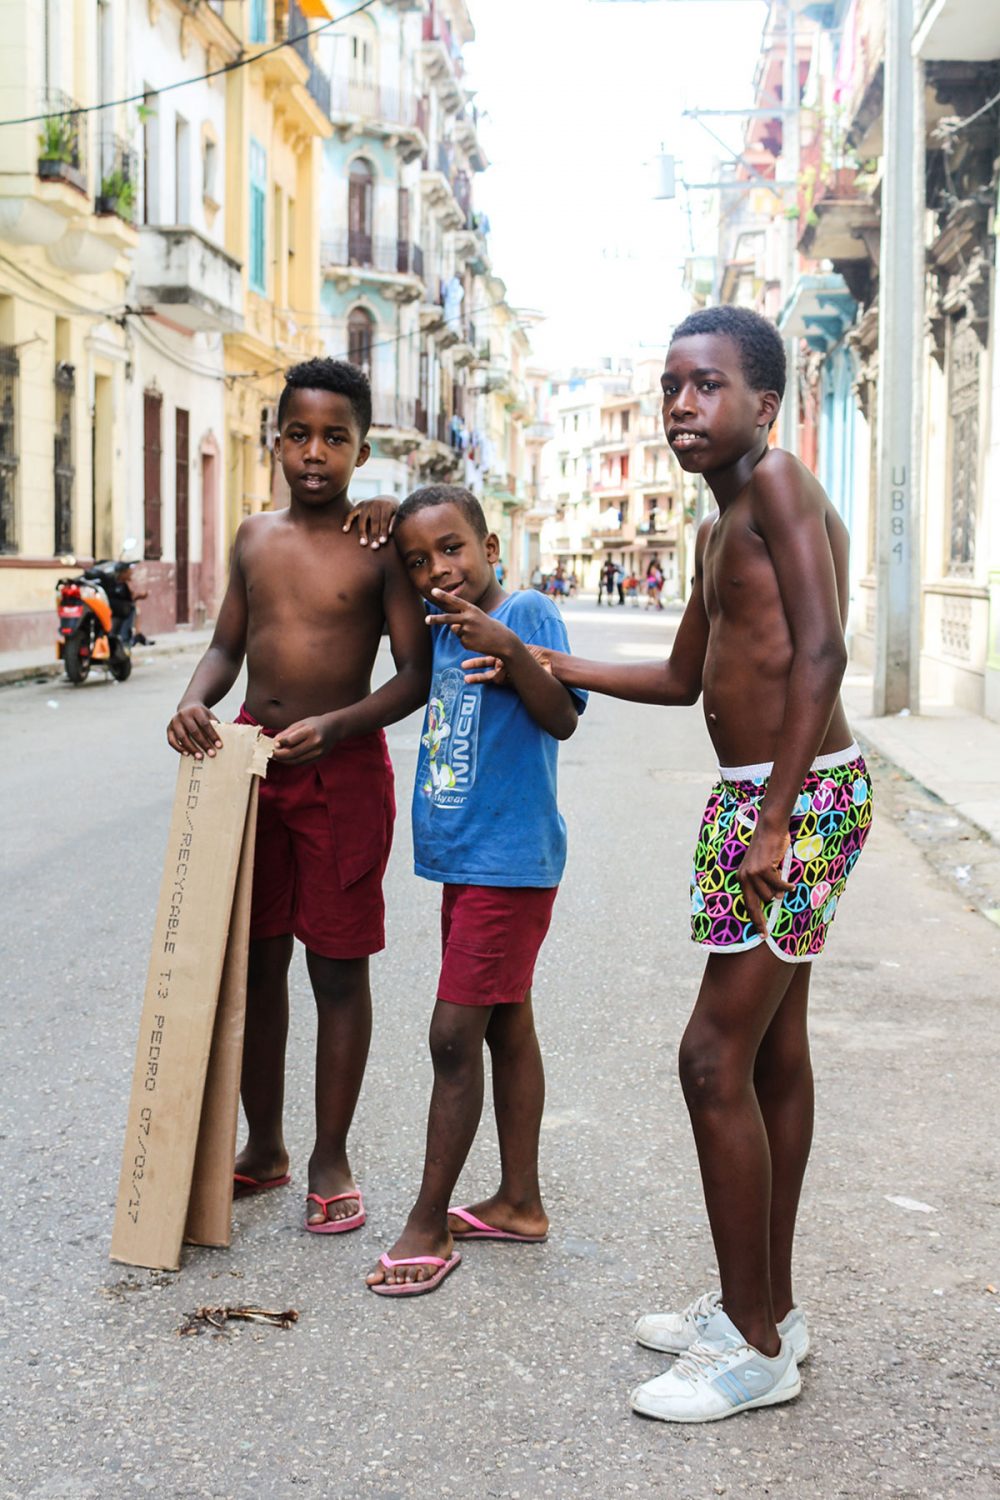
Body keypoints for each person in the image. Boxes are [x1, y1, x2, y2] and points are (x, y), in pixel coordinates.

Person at [532, 306, 873, 1420]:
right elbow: (683, 676)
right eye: (670, 385)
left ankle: (754, 1347)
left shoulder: (776, 486)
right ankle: (758, 1308)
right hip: (758, 800)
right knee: (770, 1051)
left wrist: (776, 819)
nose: (681, 403)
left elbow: (822, 649)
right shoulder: (721, 520)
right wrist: (542, 656)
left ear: (761, 407)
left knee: (708, 1056)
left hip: (797, 800)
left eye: (706, 385)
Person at [166, 358, 429, 1235]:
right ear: (274, 438)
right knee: (258, 964)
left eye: (336, 438)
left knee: (338, 968)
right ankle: (266, 1144)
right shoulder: (254, 536)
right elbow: (224, 648)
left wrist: (343, 726)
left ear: (363, 447)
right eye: (299, 434)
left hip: (342, 775)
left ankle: (331, 1155)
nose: (315, 453)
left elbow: (415, 676)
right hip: (251, 767)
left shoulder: (378, 545)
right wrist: (194, 701)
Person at [365, 483, 586, 1296]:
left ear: (492, 547)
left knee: (454, 1036)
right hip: (470, 860)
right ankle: (520, 1202)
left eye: (453, 548)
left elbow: (562, 716)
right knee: (504, 1023)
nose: (437, 571)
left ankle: (426, 1221)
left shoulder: (524, 610)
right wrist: (378, 512)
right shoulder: (437, 625)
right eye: (419, 561)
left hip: (510, 860)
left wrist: (510, 646)